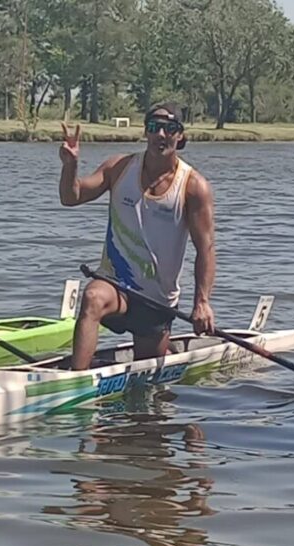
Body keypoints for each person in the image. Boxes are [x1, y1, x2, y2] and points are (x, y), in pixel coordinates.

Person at [58, 102, 216, 370]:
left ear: (180, 135)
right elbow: (70, 198)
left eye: (169, 128)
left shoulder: (193, 187)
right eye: (154, 127)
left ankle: (165, 349)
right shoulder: (119, 167)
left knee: (148, 388)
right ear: (146, 132)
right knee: (92, 297)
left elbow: (206, 249)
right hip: (115, 285)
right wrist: (70, 165)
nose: (161, 134)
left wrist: (202, 302)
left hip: (156, 300)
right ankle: (77, 379)